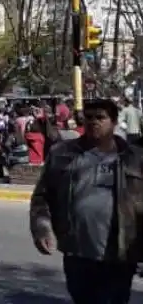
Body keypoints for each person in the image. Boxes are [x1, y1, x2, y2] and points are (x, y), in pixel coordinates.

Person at [30, 99, 143, 303]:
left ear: (114, 122)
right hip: (77, 253)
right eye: (88, 117)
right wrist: (42, 229)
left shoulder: (133, 157)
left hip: (119, 255)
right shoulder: (62, 153)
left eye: (100, 117)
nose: (93, 122)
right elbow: (42, 196)